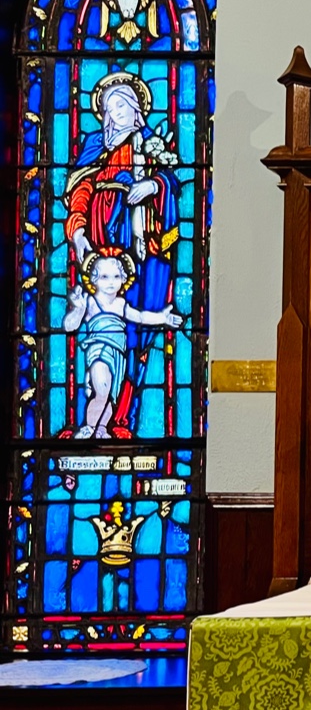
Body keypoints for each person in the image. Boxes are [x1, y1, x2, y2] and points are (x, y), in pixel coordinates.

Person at [64, 72, 180, 437]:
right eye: (112, 106)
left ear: (137, 112)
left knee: (137, 331)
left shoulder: (148, 143)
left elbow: (171, 185)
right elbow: (79, 189)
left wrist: (152, 184)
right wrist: (79, 233)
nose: (119, 113)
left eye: (126, 106)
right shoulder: (94, 144)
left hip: (141, 246)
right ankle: (92, 420)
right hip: (100, 240)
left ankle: (122, 417)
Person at [63, 250, 183, 439]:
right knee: (101, 388)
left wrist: (162, 318)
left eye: (116, 276)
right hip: (99, 350)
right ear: (93, 280)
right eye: (104, 277)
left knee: (111, 395)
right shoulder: (90, 302)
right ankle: (88, 427)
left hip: (118, 354)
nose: (111, 282)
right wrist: (78, 309)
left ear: (123, 279)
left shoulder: (120, 304)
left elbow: (141, 316)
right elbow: (70, 326)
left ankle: (102, 429)